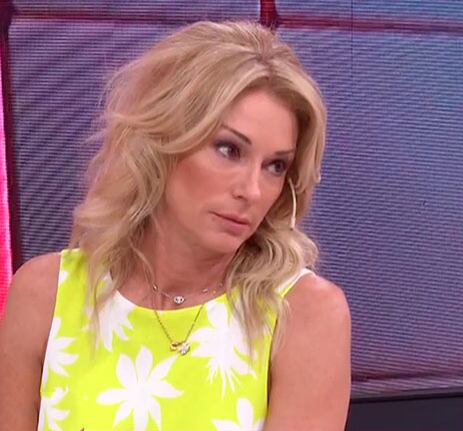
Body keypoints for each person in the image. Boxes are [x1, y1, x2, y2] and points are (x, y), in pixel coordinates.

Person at [0, 21, 351, 430]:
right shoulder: (44, 295)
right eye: (229, 149)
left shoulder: (303, 315)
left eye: (275, 166)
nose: (252, 190)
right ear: (162, 141)